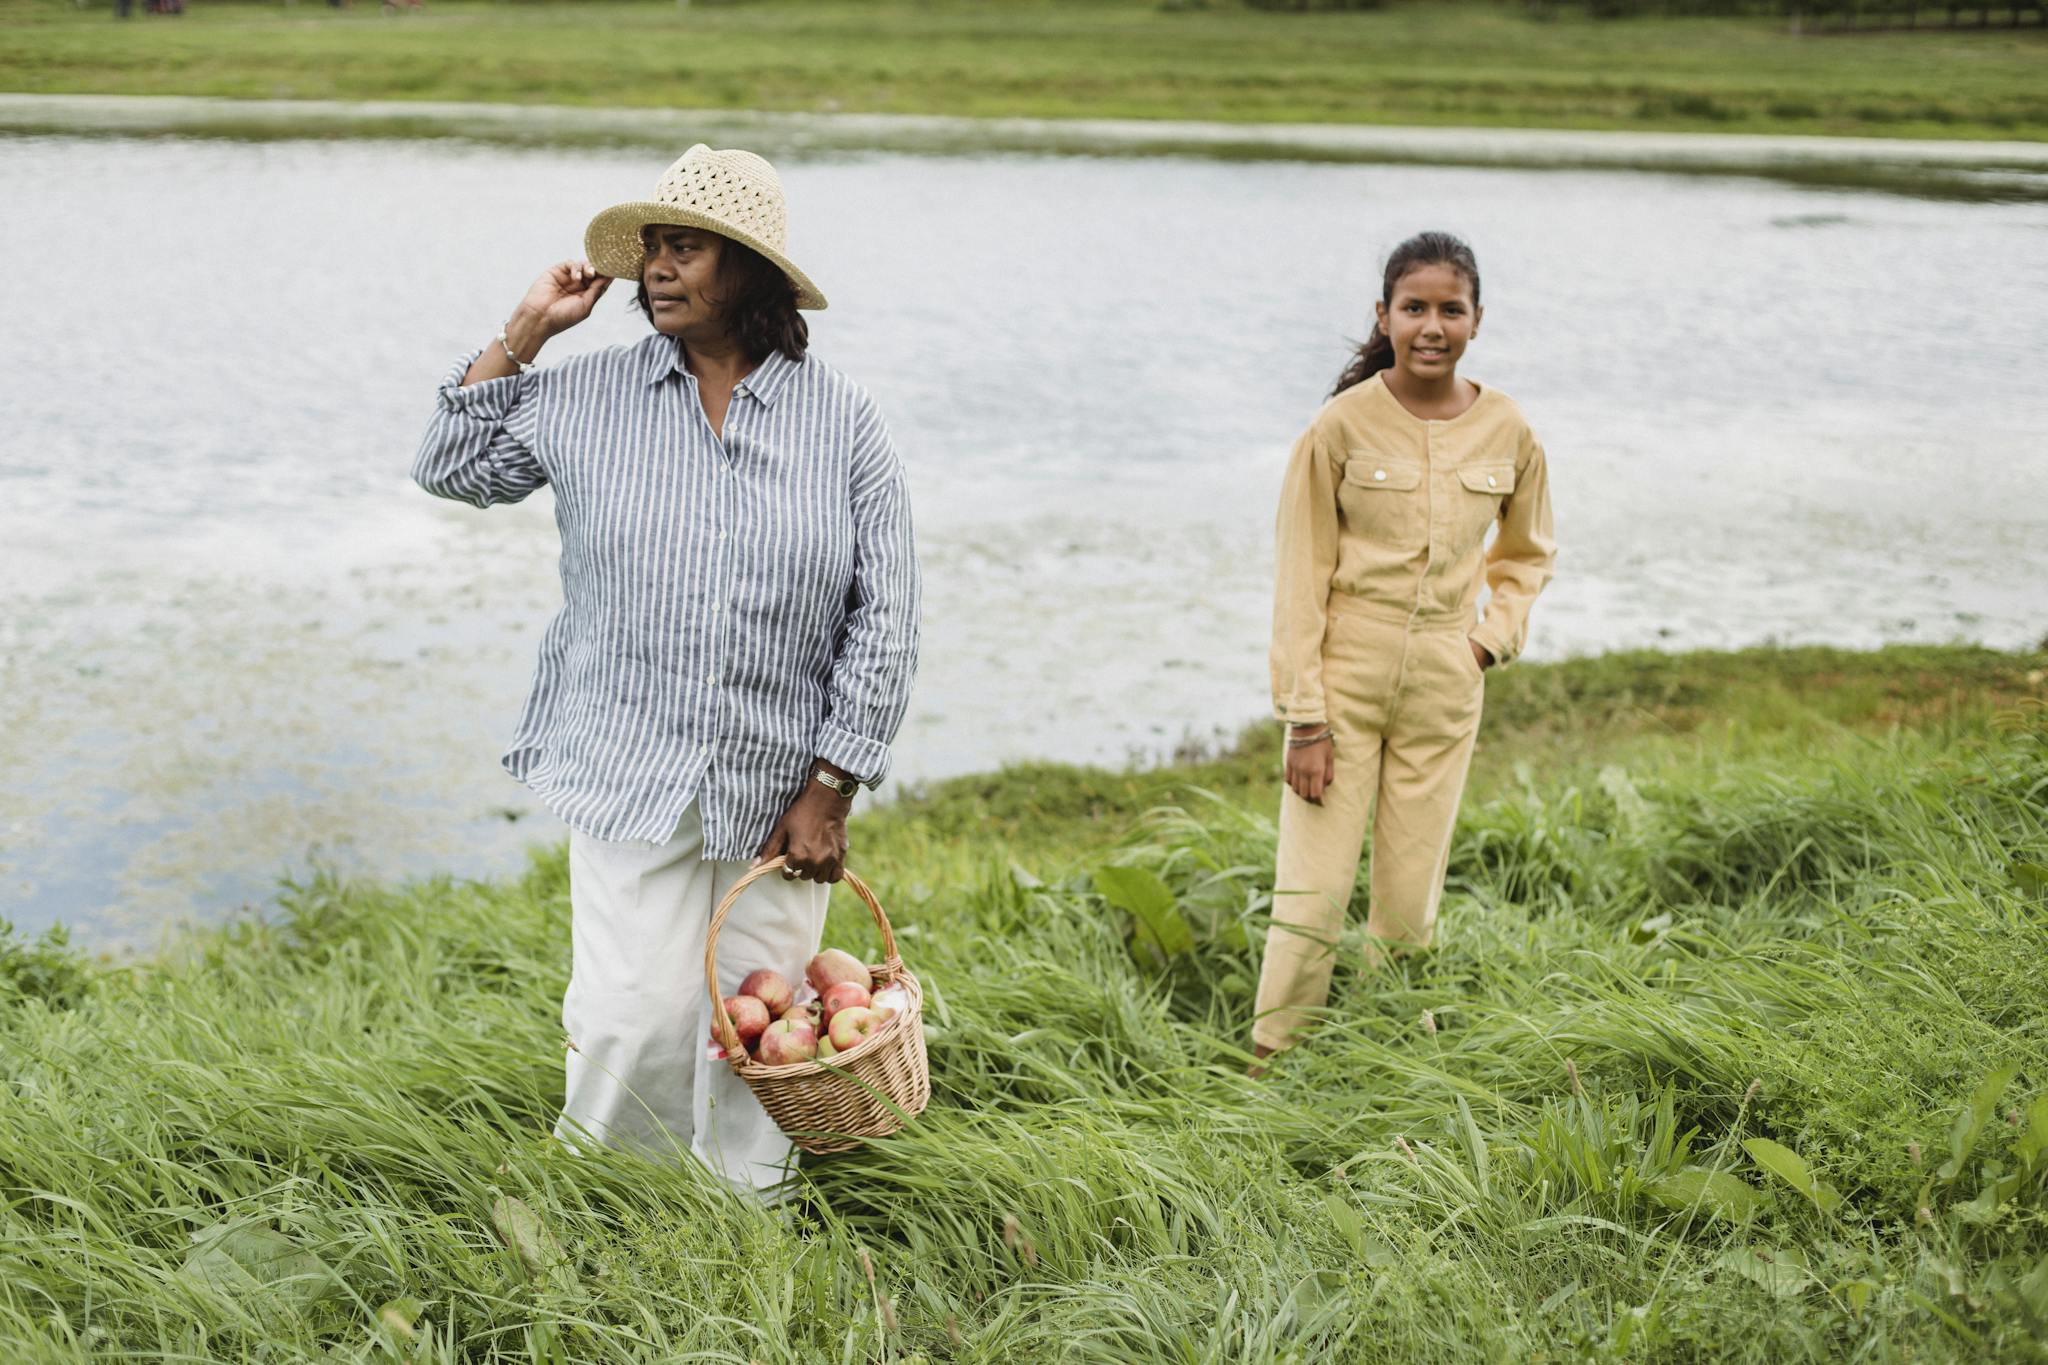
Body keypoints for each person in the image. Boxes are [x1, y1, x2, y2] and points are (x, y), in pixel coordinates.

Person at [412, 145, 921, 1195]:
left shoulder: (843, 422)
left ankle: (746, 1227)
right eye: (650, 247)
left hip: (777, 785)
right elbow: (451, 466)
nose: (656, 267)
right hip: (623, 759)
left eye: (682, 248)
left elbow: (887, 614)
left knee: (757, 1014)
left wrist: (831, 785)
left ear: (746, 269)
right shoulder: (586, 394)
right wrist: (528, 332)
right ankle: (607, 1212)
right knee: (628, 1015)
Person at [1251, 231, 1555, 1064]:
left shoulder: (1509, 429)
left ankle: (1394, 1057)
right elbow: (1299, 576)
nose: (1431, 325)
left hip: (1444, 682)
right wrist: (1304, 717)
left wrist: (1488, 643)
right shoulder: (1338, 428)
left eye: (1449, 309)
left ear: (1477, 320)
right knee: (1313, 895)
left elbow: (1528, 555)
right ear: (1382, 316)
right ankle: (1273, 1060)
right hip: (1343, 683)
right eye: (1413, 307)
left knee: (1410, 900)